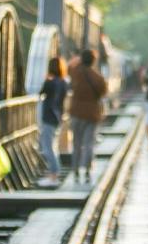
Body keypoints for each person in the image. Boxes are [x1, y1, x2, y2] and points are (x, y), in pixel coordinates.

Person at [66, 48, 108, 184]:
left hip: (76, 112)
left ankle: (76, 170)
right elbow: (103, 93)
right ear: (94, 61)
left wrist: (77, 60)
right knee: (89, 143)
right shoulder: (99, 78)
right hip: (92, 113)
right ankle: (88, 170)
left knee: (76, 143)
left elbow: (68, 66)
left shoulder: (75, 73)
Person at [36, 54, 68, 184]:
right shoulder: (64, 83)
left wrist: (46, 79)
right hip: (58, 117)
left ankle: (54, 174)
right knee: (53, 146)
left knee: (47, 147)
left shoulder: (49, 83)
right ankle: (55, 173)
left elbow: (41, 93)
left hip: (48, 117)